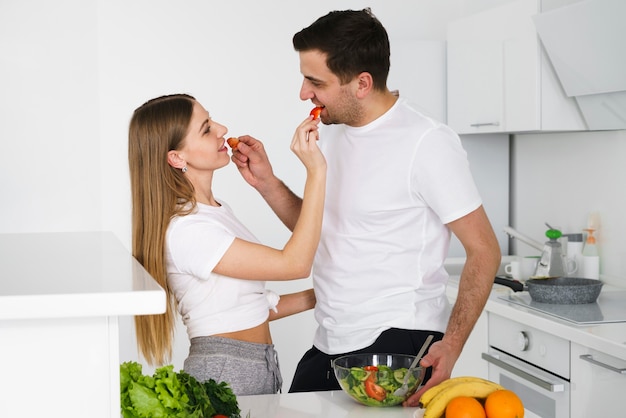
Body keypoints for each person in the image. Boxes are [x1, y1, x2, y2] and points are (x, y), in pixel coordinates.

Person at [230, 8, 501, 406]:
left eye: (315, 81)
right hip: (330, 338)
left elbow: (484, 250)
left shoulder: (427, 142)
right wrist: (267, 183)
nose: (304, 93)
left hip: (398, 341)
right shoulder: (335, 133)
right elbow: (325, 230)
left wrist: (453, 344)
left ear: (362, 83)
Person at [128, 93, 326, 396]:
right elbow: (295, 264)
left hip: (254, 366)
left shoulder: (216, 211)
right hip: (225, 372)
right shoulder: (187, 229)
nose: (222, 129)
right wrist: (316, 171)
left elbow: (247, 308)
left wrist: (330, 293)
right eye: (206, 128)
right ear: (176, 157)